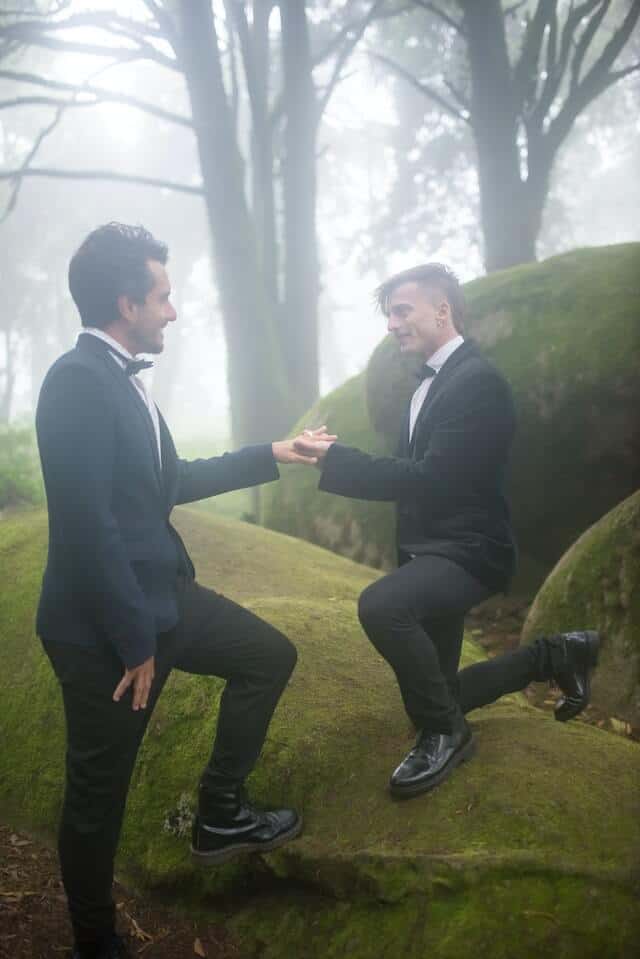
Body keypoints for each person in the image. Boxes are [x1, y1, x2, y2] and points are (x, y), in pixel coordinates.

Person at [35, 222, 333, 959]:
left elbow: (174, 481)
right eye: (163, 295)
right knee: (97, 796)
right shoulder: (75, 382)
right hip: (105, 629)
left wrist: (275, 452)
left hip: (163, 600)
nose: (173, 309)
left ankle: (221, 815)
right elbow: (87, 524)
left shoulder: (124, 382)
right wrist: (133, 641)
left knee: (267, 655)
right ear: (125, 302)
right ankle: (95, 939)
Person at [294, 263, 599, 801]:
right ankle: (555, 656)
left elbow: (433, 480)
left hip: (470, 551)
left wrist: (336, 462)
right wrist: (336, 458)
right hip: (433, 551)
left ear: (443, 310)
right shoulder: (431, 384)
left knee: (383, 607)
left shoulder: (476, 383)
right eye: (388, 315)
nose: (392, 325)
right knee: (435, 696)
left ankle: (448, 735)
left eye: (402, 311)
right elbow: (414, 474)